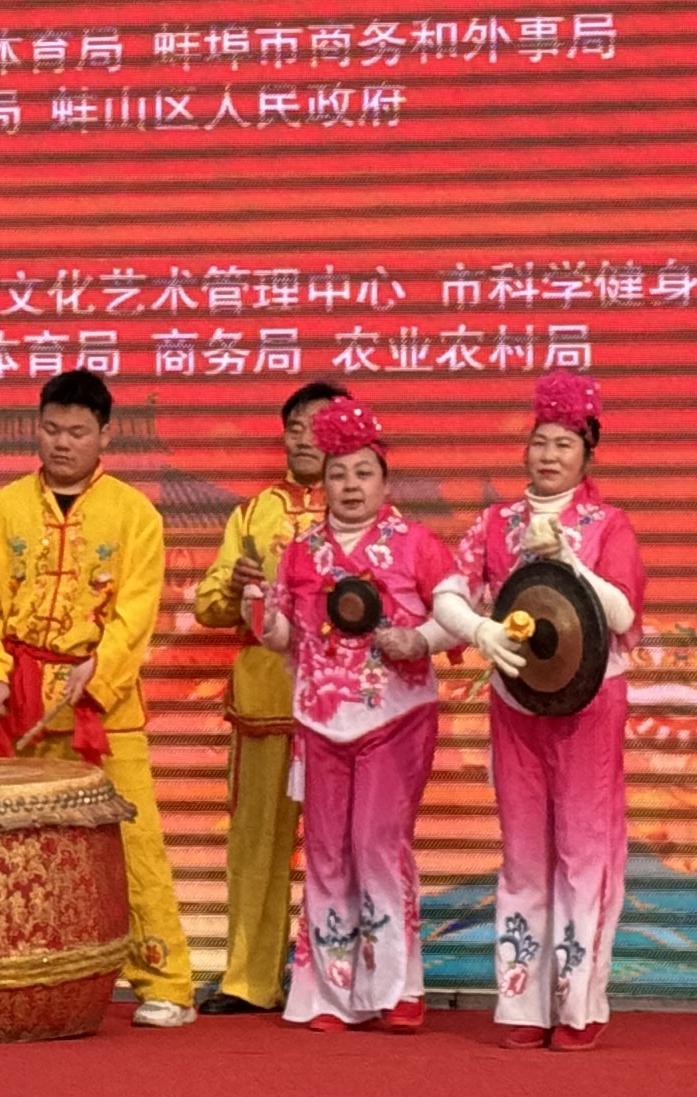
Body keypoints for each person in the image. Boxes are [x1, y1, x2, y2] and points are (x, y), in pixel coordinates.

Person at [0, 368, 195, 1027]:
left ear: (105, 435)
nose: (62, 443)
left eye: (78, 432)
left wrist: (103, 670)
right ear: (36, 428)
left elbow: (136, 611)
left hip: (103, 707)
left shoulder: (135, 514)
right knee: (13, 844)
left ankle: (165, 981)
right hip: (21, 702)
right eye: (52, 429)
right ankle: (15, 973)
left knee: (133, 842)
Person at [450, 371, 646, 1052]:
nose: (549, 455)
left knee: (584, 853)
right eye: (540, 441)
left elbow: (621, 613)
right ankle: (521, 1002)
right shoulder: (495, 523)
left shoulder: (608, 525)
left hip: (590, 705)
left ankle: (578, 1002)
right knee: (523, 854)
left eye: (564, 443)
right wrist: (478, 630)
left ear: (588, 454)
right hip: (517, 701)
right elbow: (450, 595)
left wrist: (572, 562)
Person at [251, 396, 459, 1032]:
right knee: (325, 851)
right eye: (338, 473)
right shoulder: (300, 550)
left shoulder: (417, 545)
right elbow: (283, 638)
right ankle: (330, 994)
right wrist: (256, 600)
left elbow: (459, 616)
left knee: (376, 844)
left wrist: (419, 640)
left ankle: (399, 988)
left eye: (363, 473)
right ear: (324, 482)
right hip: (321, 721)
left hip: (395, 717)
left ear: (385, 482)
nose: (350, 485)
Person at [189, 378, 344, 1013]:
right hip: (265, 700)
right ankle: (249, 981)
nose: (303, 438)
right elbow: (207, 605)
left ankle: (336, 980)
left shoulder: (364, 511)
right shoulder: (252, 514)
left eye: (318, 427)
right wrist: (235, 584)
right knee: (255, 843)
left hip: (346, 703)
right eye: (294, 427)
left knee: (344, 846)